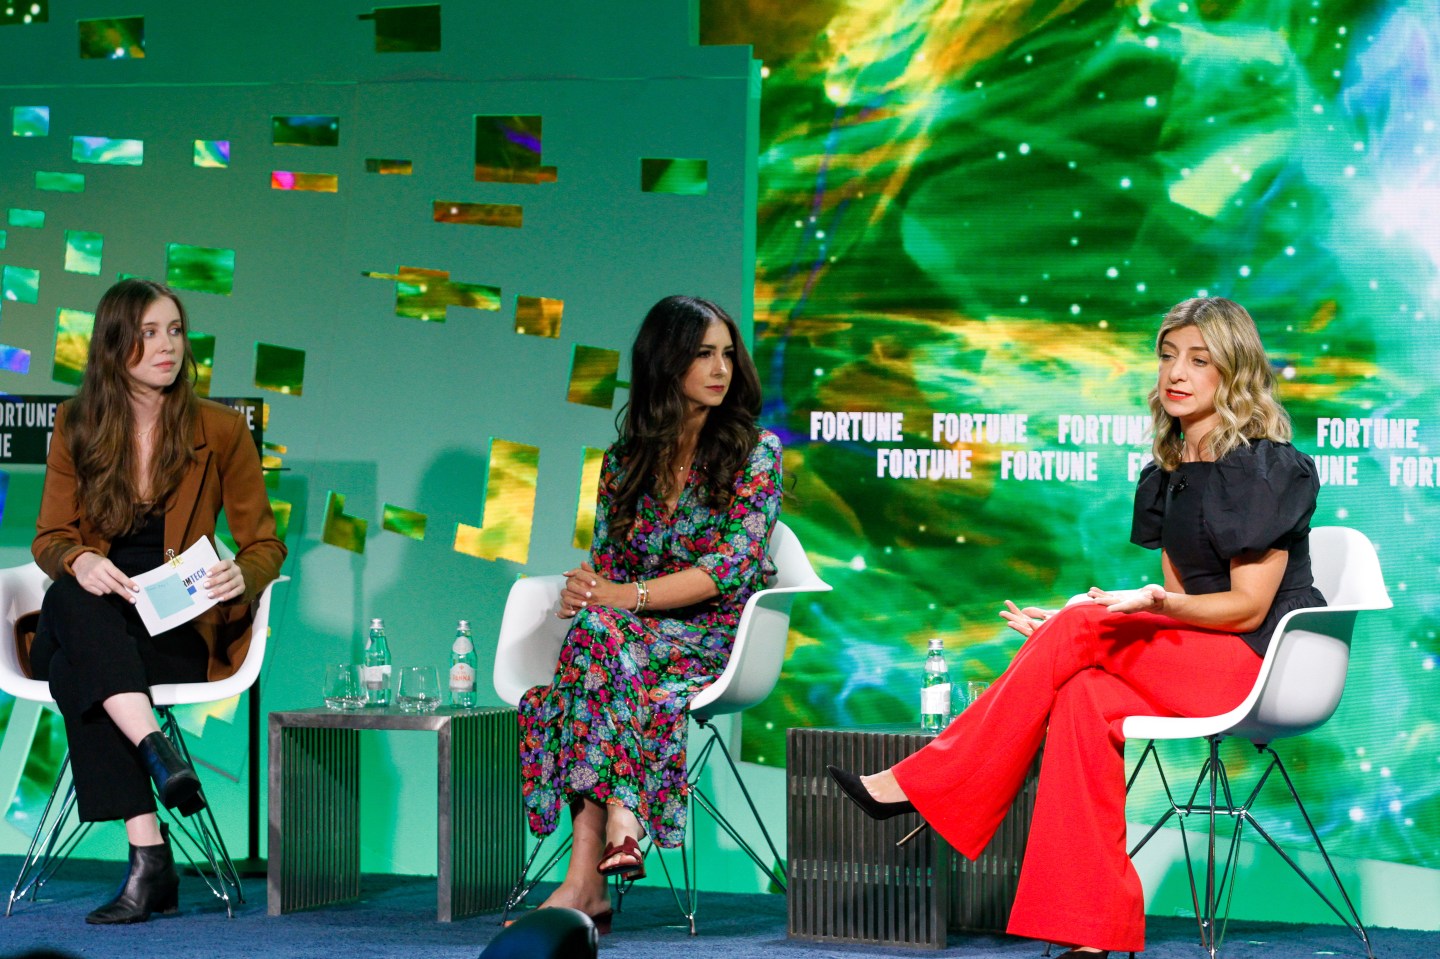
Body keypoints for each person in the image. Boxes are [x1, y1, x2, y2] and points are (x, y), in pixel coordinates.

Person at [826, 296, 1323, 957]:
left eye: (1198, 360)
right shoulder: (1171, 472)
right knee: (1084, 693)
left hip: (1260, 665)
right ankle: (1092, 935)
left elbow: (1245, 609)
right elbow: (1178, 604)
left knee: (1082, 629)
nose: (1176, 372)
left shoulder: (1265, 465)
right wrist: (1085, 625)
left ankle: (923, 782)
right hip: (1201, 658)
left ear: (1232, 372)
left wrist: (1127, 611)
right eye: (1168, 356)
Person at [516, 295, 782, 933]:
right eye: (702, 355)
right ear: (666, 364)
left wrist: (619, 599)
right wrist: (584, 589)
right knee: (596, 639)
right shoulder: (624, 462)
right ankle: (612, 842)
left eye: (726, 354)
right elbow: (606, 562)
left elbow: (730, 568)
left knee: (594, 647)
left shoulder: (756, 452)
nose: (720, 369)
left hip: (713, 638)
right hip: (627, 641)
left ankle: (586, 876)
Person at [29, 278, 286, 924]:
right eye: (148, 333)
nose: (167, 346)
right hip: (101, 617)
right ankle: (155, 757)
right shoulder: (77, 424)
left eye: (175, 330)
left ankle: (150, 857)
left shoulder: (221, 429)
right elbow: (50, 537)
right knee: (72, 595)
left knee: (72, 667)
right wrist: (82, 558)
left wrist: (242, 576)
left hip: (175, 628)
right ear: (115, 345)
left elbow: (265, 544)